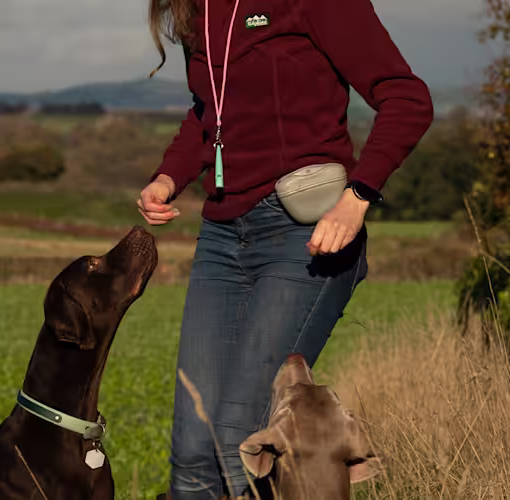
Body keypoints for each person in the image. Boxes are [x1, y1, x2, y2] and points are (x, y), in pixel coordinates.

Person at [138, 0, 434, 498]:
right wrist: (168, 176)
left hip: (303, 235)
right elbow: (209, 114)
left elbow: (406, 98)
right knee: (192, 449)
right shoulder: (197, 9)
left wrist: (358, 196)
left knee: (239, 440)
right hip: (220, 239)